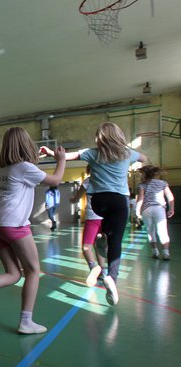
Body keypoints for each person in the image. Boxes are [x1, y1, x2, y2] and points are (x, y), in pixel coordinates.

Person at [0, 127, 66, 335]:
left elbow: (29, 174)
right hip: (14, 224)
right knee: (33, 271)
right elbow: (56, 180)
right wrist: (61, 159)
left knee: (13, 273)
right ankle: (26, 321)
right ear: (26, 145)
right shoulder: (24, 167)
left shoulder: (2, 171)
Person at [42, 122, 147, 305]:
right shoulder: (127, 153)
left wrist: (52, 153)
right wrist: (128, 150)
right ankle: (111, 278)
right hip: (119, 201)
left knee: (105, 227)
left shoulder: (93, 152)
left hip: (99, 202)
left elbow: (68, 156)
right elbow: (144, 158)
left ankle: (101, 237)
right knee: (116, 242)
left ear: (99, 138)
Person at [69, 165, 107, 280]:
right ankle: (103, 271)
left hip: (93, 217)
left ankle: (93, 266)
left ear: (89, 170)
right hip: (106, 217)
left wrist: (73, 199)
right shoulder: (107, 180)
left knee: (87, 245)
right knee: (100, 245)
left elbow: (77, 197)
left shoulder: (88, 181)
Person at [136, 164, 175, 260]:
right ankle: (166, 253)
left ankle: (155, 252)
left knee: (150, 231)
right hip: (159, 208)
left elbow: (141, 199)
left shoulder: (142, 184)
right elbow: (170, 197)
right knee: (163, 231)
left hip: (146, 209)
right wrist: (171, 209)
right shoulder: (163, 183)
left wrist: (137, 211)